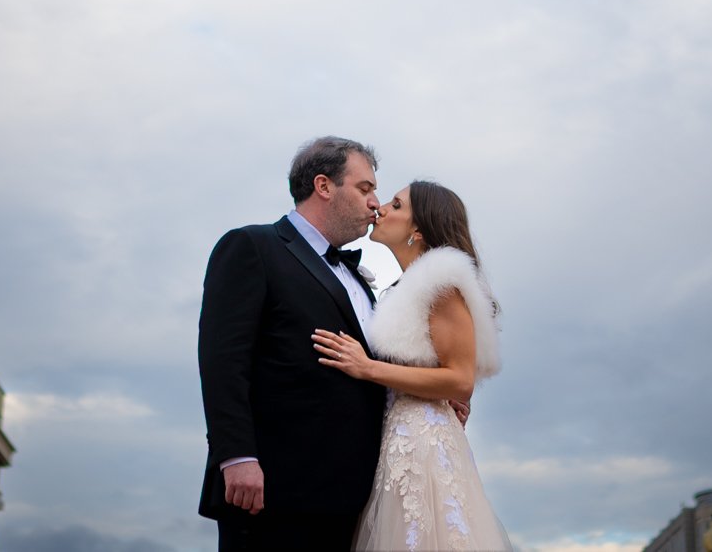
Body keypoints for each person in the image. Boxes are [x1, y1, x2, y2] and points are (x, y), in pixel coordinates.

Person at [198, 137, 388, 551]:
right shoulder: (253, 247)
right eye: (365, 188)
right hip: (271, 492)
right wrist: (237, 457)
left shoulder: (359, 280)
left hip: (350, 500)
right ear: (324, 186)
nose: (376, 202)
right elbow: (223, 360)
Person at [313, 180, 513, 551]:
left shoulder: (441, 282)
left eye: (396, 204)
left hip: (421, 443)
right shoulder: (405, 288)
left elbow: (460, 379)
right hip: (394, 440)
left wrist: (367, 368)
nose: (381, 208)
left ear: (417, 229)